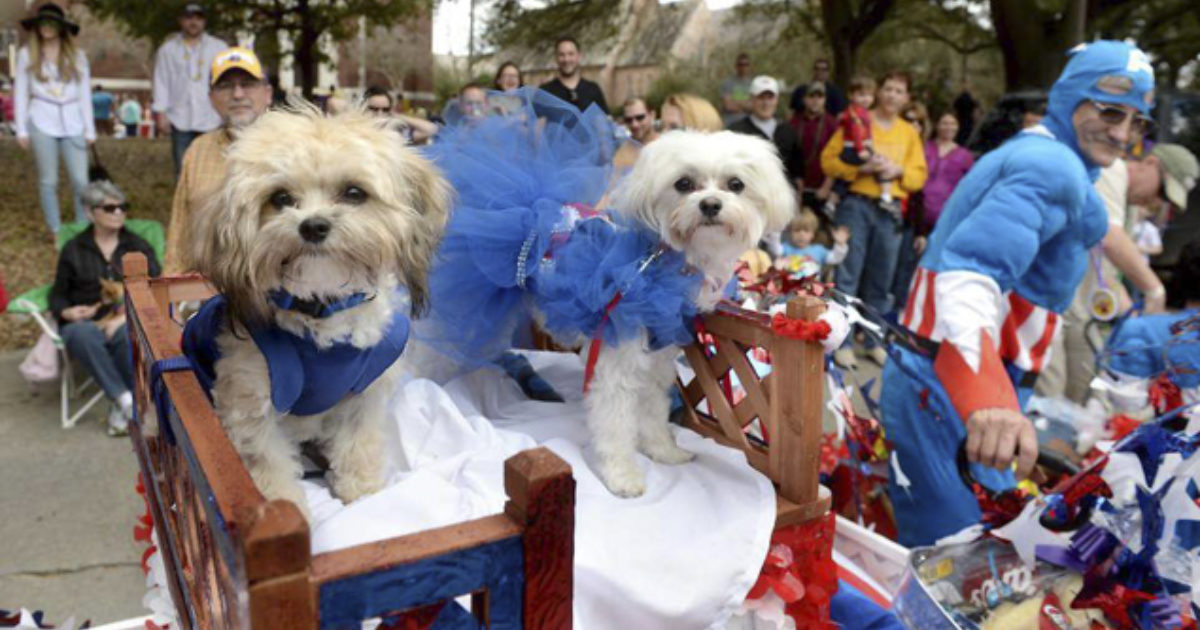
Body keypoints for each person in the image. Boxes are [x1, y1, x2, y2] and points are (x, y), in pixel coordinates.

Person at [881, 41, 1156, 547]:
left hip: (957, 386)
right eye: (1110, 112)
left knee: (981, 550)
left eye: (1138, 121)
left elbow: (1094, 221)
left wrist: (1151, 286)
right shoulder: (1050, 168)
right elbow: (969, 273)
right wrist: (988, 398)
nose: (1123, 133)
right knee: (954, 565)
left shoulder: (1056, 160)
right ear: (1071, 98)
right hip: (951, 388)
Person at [1039, 142, 1199, 404]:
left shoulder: (1130, 205)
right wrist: (1154, 290)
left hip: (1081, 309)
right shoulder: (1111, 171)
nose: (1157, 202)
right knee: (1050, 395)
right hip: (1048, 303)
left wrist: (1131, 313)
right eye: (1162, 191)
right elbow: (1109, 238)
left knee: (1083, 394)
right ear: (1151, 164)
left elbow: (1106, 268)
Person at [822, 71, 927, 368]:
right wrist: (860, 168)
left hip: (890, 208)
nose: (893, 95)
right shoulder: (856, 118)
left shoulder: (908, 132)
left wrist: (899, 173)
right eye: (888, 88)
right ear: (879, 92)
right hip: (856, 203)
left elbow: (919, 175)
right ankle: (841, 341)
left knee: (882, 279)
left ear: (906, 98)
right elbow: (828, 161)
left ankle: (873, 341)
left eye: (899, 91)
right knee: (848, 275)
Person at [50, 179, 161, 436]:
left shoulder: (137, 246)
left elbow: (154, 287)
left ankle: (125, 406)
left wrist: (123, 319)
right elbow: (57, 296)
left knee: (126, 335)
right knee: (80, 334)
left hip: (128, 319)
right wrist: (68, 312)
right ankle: (125, 401)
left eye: (123, 207)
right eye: (110, 208)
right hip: (86, 322)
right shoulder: (74, 249)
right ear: (90, 212)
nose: (119, 212)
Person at [164, 47, 272, 274]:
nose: (238, 94)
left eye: (248, 84)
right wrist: (173, 289)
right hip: (208, 289)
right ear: (211, 98)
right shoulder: (198, 150)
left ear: (267, 93)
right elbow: (181, 230)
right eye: (226, 86)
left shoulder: (295, 146)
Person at [14, 2, 94, 241]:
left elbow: (84, 94)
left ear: (61, 28)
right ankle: (55, 228)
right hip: (41, 119)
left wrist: (89, 129)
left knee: (81, 179)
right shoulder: (26, 55)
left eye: (52, 24)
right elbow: (20, 92)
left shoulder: (77, 57)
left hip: (73, 121)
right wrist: (21, 128)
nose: (47, 28)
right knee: (49, 179)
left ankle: (82, 227)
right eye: (43, 24)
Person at [892, 109, 973, 315]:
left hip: (946, 220)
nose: (948, 128)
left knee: (935, 267)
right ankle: (899, 309)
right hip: (917, 215)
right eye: (944, 123)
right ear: (937, 125)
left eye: (952, 124)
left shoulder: (964, 156)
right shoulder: (923, 147)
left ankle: (927, 313)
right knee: (905, 265)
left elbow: (969, 189)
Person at [151, 3, 228, 176]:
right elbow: (161, 81)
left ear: (204, 21)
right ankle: (183, 204)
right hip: (180, 119)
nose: (193, 22)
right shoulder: (168, 49)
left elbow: (227, 82)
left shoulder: (219, 48)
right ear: (181, 21)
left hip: (211, 118)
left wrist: (226, 112)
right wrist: (161, 113)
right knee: (183, 171)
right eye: (189, 17)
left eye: (198, 18)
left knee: (213, 171)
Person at [728, 76, 805, 190]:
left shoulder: (788, 131)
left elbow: (797, 172)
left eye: (770, 98)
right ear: (752, 99)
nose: (766, 103)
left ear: (777, 100)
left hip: (783, 198)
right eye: (761, 98)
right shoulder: (736, 132)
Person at [790, 82, 837, 211]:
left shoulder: (833, 124)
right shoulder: (793, 122)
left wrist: (827, 187)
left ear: (825, 100)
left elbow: (837, 158)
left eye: (820, 97)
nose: (815, 101)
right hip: (797, 190)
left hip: (821, 190)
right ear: (804, 99)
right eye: (811, 96)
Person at [539, 37, 608, 113]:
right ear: (556, 58)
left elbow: (604, 121)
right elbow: (537, 122)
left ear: (579, 56)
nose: (566, 59)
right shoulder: (545, 92)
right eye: (561, 55)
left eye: (571, 54)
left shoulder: (593, 89)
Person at [362, 85, 437, 144]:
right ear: (363, 108)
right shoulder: (355, 133)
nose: (380, 114)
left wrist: (397, 116)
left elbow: (431, 130)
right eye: (374, 109)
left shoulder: (396, 134)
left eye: (385, 110)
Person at [613, 97, 659, 171]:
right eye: (628, 120)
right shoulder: (622, 154)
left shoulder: (666, 143)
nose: (634, 125)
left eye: (640, 117)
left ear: (652, 115)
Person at [719, 53, 754, 126]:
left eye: (746, 64)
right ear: (736, 66)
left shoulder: (753, 84)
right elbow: (728, 106)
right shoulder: (727, 83)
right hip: (730, 122)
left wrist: (737, 102)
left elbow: (754, 106)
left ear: (749, 66)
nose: (743, 67)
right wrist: (746, 104)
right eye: (740, 64)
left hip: (749, 123)